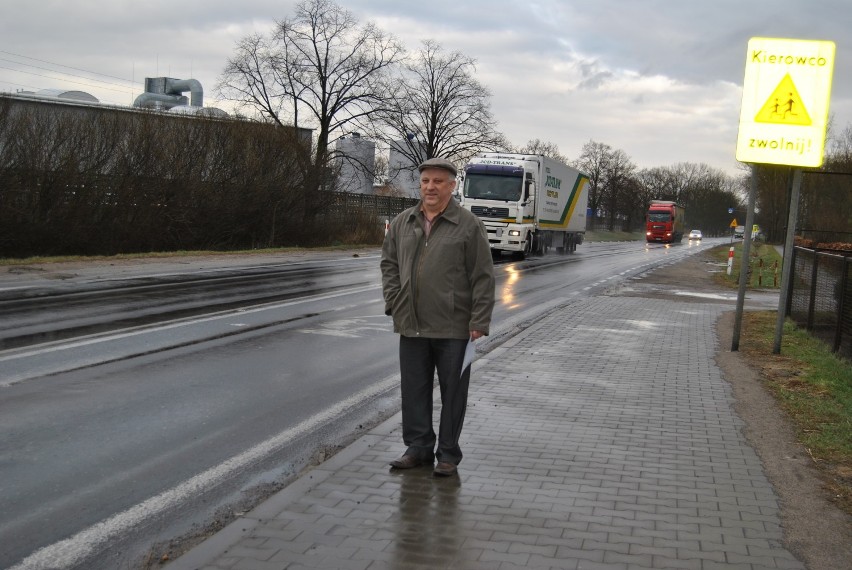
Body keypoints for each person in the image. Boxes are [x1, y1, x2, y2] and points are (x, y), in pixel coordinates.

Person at [380, 157, 496, 477]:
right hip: (412, 323)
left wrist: (479, 320)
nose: (430, 187)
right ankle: (418, 447)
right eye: (426, 181)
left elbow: (482, 276)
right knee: (413, 389)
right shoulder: (403, 221)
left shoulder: (468, 225)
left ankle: (447, 453)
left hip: (454, 326)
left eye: (438, 182)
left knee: (453, 393)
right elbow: (389, 265)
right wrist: (394, 301)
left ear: (451, 185)